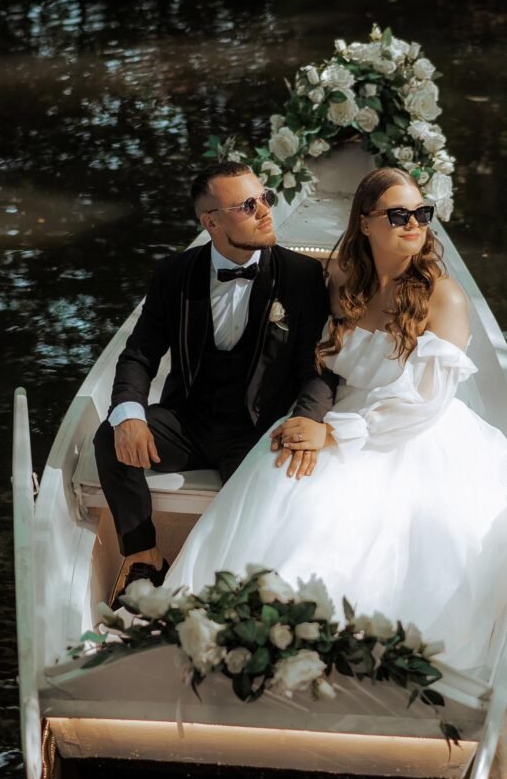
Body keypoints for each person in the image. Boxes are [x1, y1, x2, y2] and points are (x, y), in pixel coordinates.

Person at [165, 167, 507, 673]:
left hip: (409, 432)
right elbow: (318, 362)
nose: (414, 224)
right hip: (340, 416)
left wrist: (335, 433)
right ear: (365, 223)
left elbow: (425, 403)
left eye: (422, 214)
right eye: (398, 215)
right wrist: (312, 420)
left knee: (369, 520)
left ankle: (336, 649)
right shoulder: (342, 274)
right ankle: (246, 629)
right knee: (278, 474)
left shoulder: (443, 297)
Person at [93, 161, 337, 602]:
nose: (265, 211)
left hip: (259, 429)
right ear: (210, 222)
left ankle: (237, 585)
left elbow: (317, 368)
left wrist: (307, 419)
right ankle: (145, 554)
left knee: (272, 502)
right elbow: (139, 354)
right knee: (110, 436)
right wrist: (129, 413)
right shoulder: (174, 273)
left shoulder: (301, 278)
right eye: (247, 205)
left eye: (264, 198)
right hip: (189, 421)